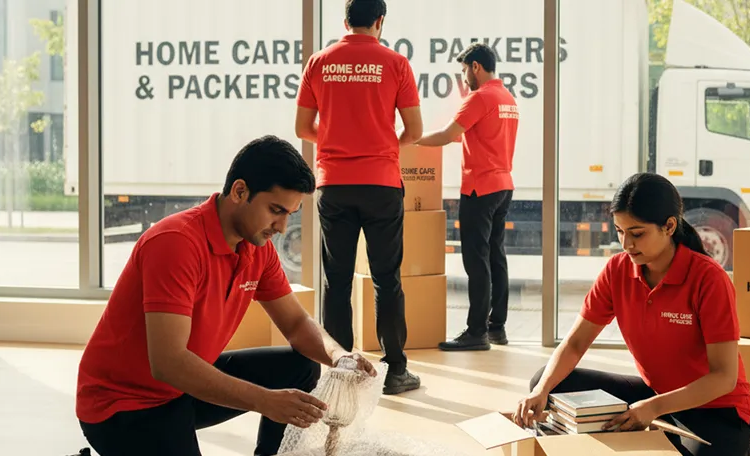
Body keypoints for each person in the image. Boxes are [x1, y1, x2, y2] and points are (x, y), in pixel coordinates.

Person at [75, 135, 377, 456]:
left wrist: (339, 356)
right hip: (125, 406)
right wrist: (266, 400)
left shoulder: (256, 247)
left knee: (300, 366)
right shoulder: (175, 243)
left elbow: (296, 322)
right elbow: (168, 363)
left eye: (290, 213)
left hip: (182, 391)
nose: (283, 227)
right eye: (276, 210)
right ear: (239, 191)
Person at [513, 173, 750, 456]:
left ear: (669, 226)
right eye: (619, 231)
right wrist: (540, 391)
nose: (626, 244)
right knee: (550, 381)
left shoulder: (708, 279)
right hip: (654, 397)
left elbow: (724, 377)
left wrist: (653, 408)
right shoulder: (617, 270)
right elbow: (576, 343)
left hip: (715, 410)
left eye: (637, 233)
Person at [294, 0, 423, 394]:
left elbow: (303, 127)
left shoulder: (319, 62)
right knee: (387, 279)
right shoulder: (396, 63)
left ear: (345, 20)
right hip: (382, 183)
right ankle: (395, 370)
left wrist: (336, 142)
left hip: (334, 183)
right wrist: (384, 147)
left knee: (336, 279)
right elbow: (414, 130)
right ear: (380, 22)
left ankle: (341, 369)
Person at [415, 42, 518, 351]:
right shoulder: (506, 97)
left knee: (477, 261)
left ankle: (476, 333)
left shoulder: (481, 97)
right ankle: (496, 326)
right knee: (496, 257)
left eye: (464, 71)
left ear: (476, 66)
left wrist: (410, 141)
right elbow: (470, 133)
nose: (463, 79)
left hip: (480, 188)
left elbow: (448, 134)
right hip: (503, 185)